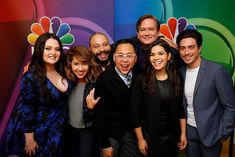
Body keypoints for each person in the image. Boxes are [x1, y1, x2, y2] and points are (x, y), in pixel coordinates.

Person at [1, 32, 72, 157]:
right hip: (39, 133)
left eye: (57, 49)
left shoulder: (63, 71)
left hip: (58, 131)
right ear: (39, 50)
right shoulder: (30, 77)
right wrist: (29, 139)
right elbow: (27, 109)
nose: (53, 53)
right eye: (48, 48)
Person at [176, 29, 235, 157]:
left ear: (200, 48)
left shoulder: (217, 71)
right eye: (182, 48)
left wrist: (222, 133)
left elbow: (230, 107)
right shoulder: (180, 72)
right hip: (189, 133)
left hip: (212, 134)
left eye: (191, 47)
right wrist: (183, 132)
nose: (186, 52)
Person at [130, 39, 187, 157]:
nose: (156, 58)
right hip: (149, 137)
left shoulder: (177, 77)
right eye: (152, 54)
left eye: (160, 53)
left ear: (168, 56)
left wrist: (183, 134)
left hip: (171, 138)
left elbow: (180, 109)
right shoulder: (141, 79)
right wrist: (140, 139)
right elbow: (134, 113)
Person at [93, 39, 142, 157]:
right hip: (110, 134)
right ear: (114, 57)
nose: (124, 60)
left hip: (132, 133)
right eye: (120, 56)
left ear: (135, 58)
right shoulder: (104, 79)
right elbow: (99, 114)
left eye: (129, 56)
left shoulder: (140, 75)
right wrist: (105, 145)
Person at [64, 46, 102, 157]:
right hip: (69, 128)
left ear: (90, 64)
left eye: (84, 64)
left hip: (87, 129)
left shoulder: (95, 84)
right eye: (76, 64)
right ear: (70, 64)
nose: (80, 69)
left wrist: (92, 109)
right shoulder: (66, 82)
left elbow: (104, 113)